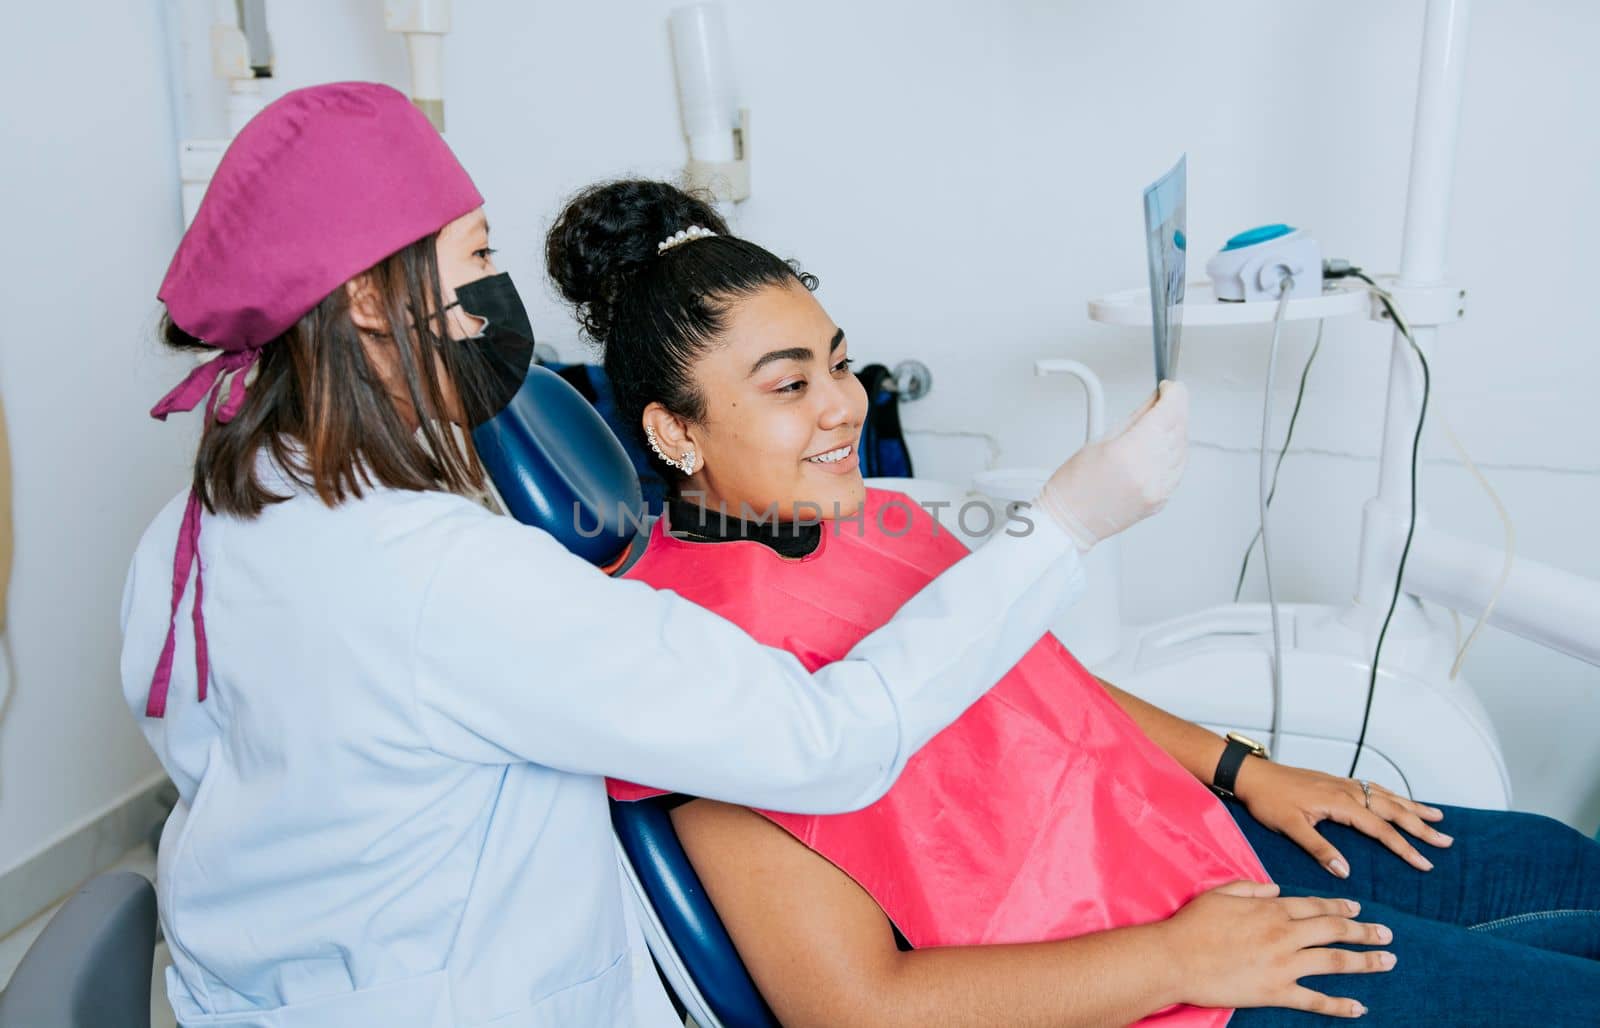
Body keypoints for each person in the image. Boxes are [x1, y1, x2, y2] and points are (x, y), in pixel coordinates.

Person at [117, 84, 1190, 1028]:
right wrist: (1064, 521)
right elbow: (825, 742)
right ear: (365, 298)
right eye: (478, 257)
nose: (501, 296)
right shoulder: (443, 578)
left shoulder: (191, 533)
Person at [545, 179, 1600, 1027]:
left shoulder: (861, 517)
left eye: (834, 360)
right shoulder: (687, 663)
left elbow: (1035, 680)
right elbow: (848, 1004)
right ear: (674, 430)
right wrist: (1176, 956)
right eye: (788, 386)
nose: (842, 403)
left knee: (1562, 867)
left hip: (1181, 843)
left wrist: (1248, 769)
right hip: (1136, 971)